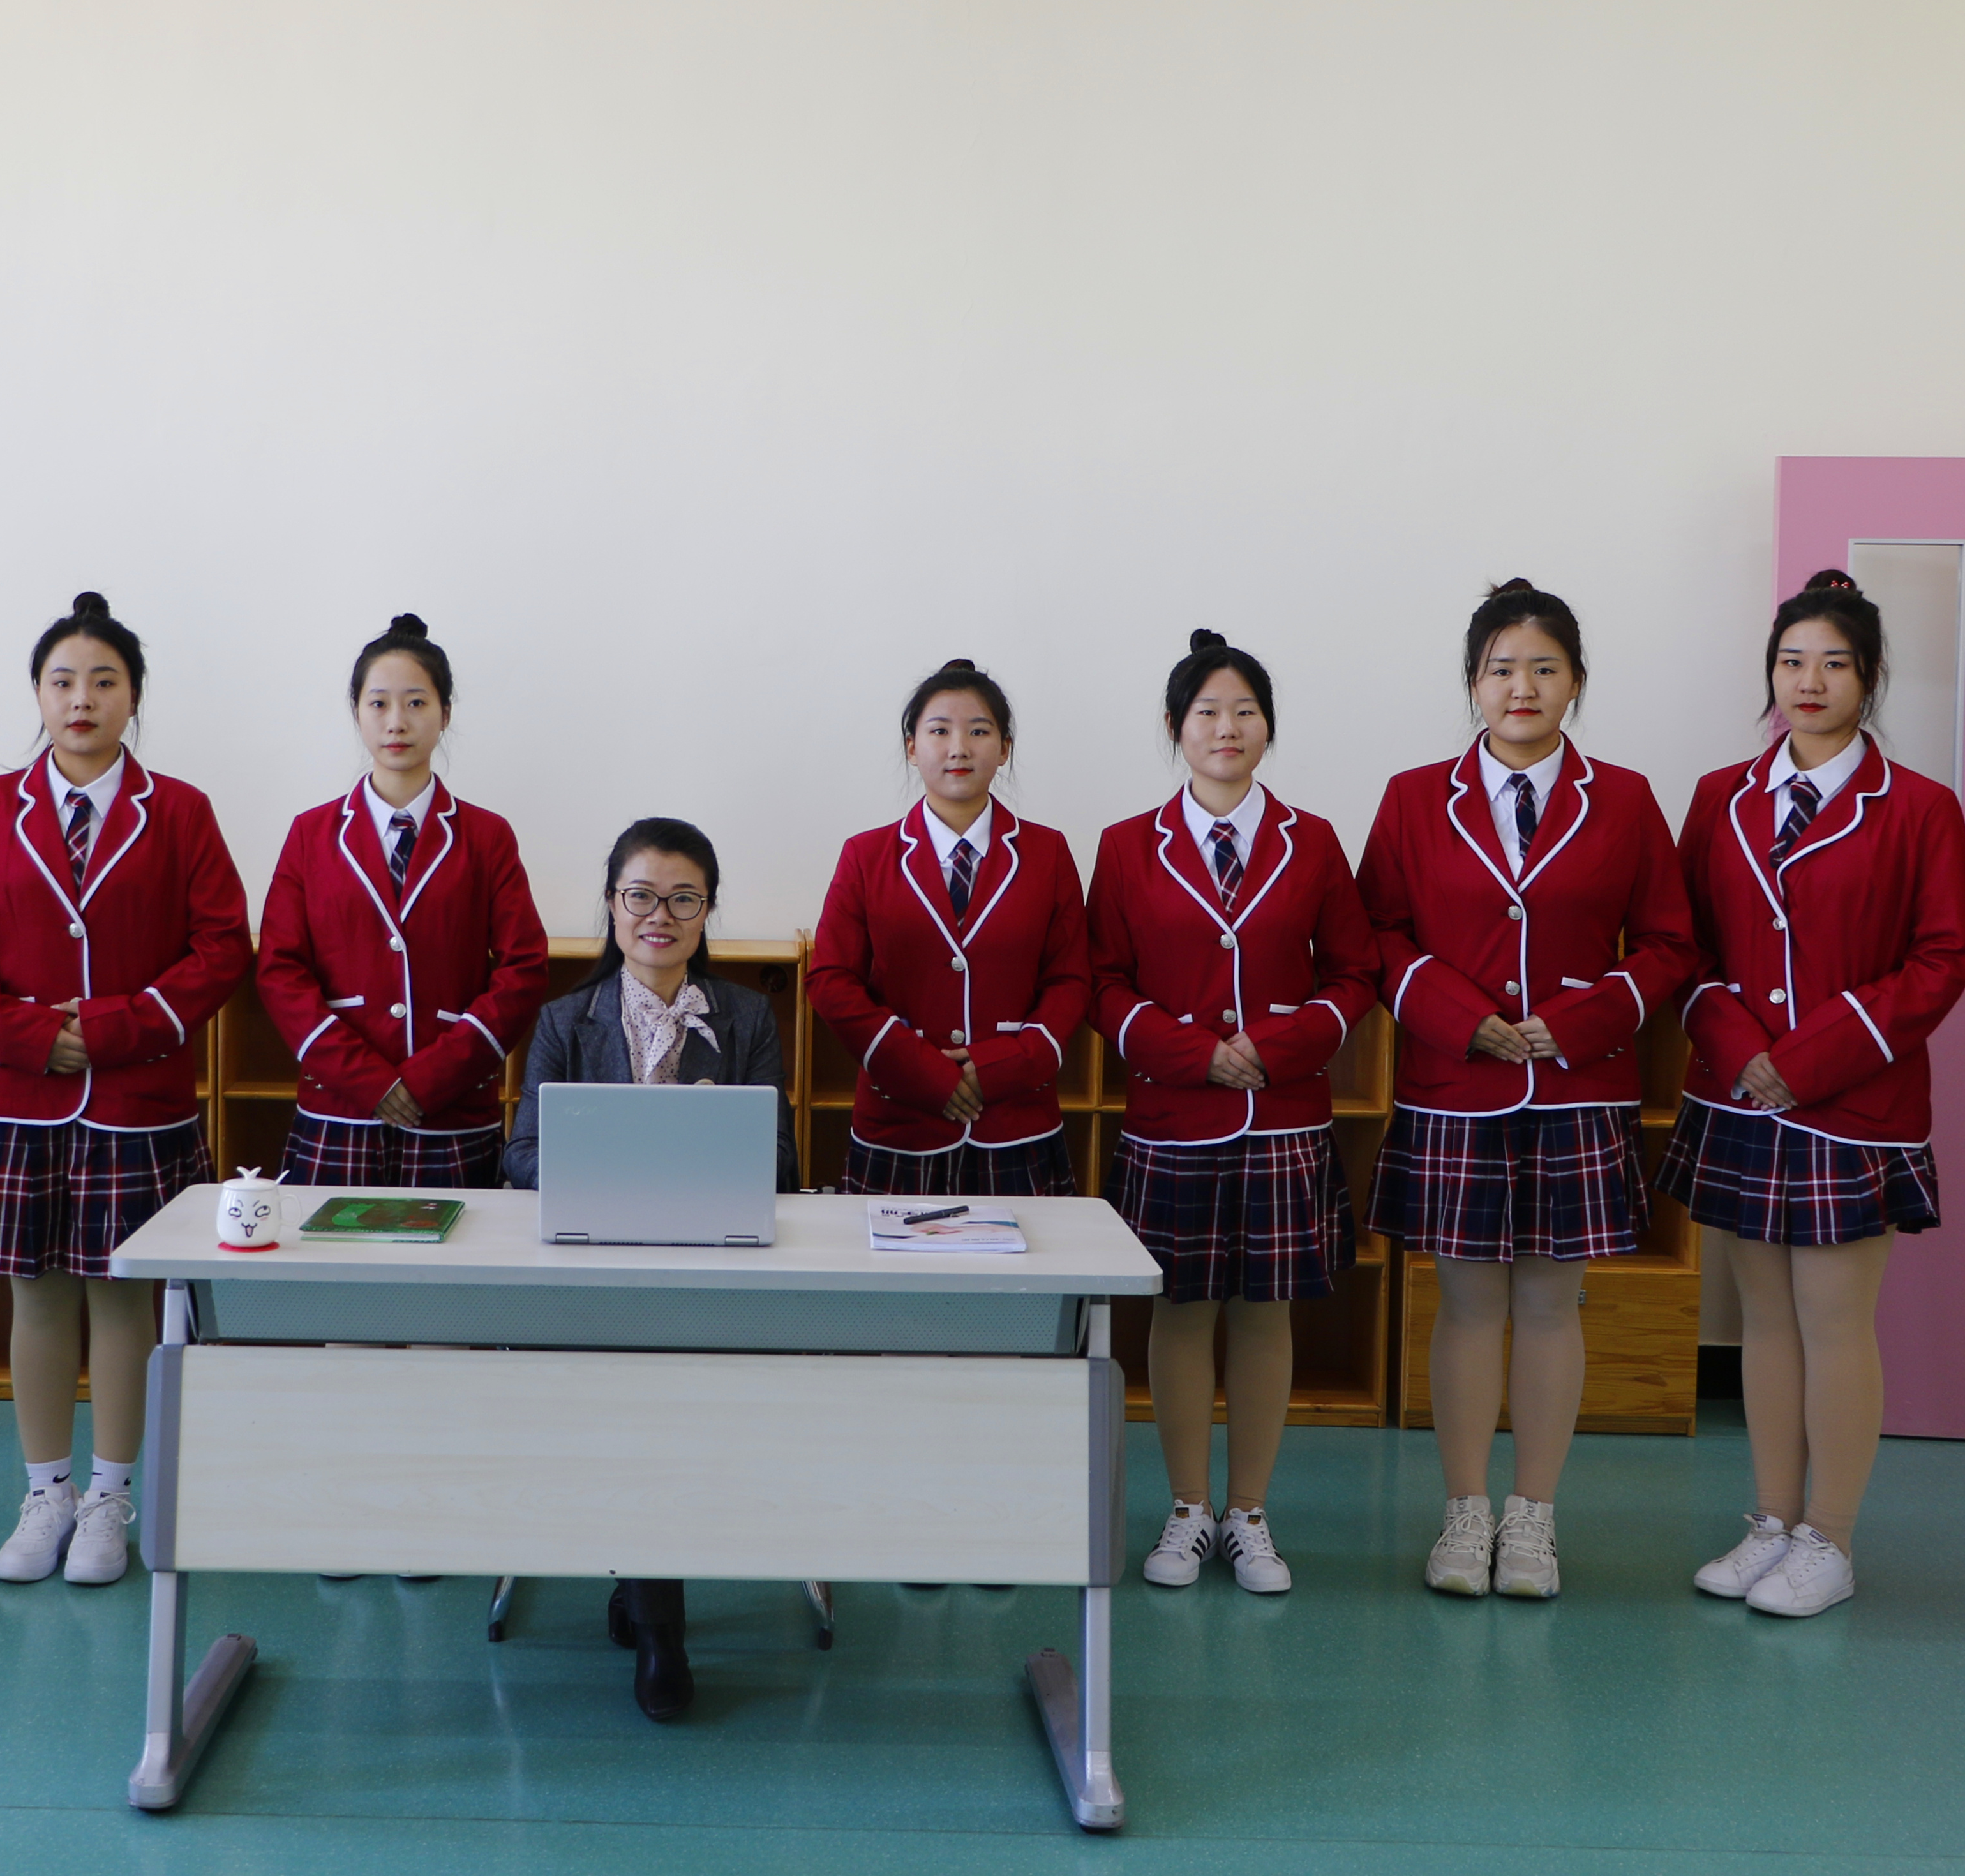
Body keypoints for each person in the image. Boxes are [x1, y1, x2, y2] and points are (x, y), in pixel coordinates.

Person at [1357, 579, 1693, 1600]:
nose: (1522, 686)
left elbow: (1670, 941)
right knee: (1464, 1305)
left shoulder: (1625, 797)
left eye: (1544, 667)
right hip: (1456, 1082)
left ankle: (1534, 1518)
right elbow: (1378, 936)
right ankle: (1465, 1512)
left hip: (1576, 1087)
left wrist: (1583, 1020)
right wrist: (1459, 1015)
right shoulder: (1414, 796)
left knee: (1551, 1304)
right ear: (1472, 683)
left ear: (1576, 681)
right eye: (1502, 668)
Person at [0, 592, 251, 1586]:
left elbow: (220, 946)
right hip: (17, 1093)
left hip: (135, 1098)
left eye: (104, 680)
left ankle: (111, 1496)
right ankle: (45, 1492)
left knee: (121, 1300)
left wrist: (105, 1028)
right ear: (37, 693)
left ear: (133, 696)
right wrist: (24, 1030)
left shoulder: (179, 809)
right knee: (37, 1297)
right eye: (62, 680)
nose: (82, 698)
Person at [1662, 570, 1965, 1619]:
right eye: (1791, 661)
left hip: (1852, 1103)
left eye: (1834, 663)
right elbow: (1683, 944)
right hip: (1739, 1096)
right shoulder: (1719, 795)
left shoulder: (1920, 807)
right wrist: (1739, 1045)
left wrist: (1810, 1056)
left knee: (1834, 1320)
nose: (1809, 680)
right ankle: (1770, 1522)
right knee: (1763, 1320)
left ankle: (1828, 1537)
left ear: (1869, 677)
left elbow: (1940, 960)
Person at [1084, 631, 1377, 1596]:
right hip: (1172, 1114)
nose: (1226, 727)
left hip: (1281, 1116)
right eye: (1207, 712)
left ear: (1267, 727)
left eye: (1244, 711)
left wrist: (1279, 1047)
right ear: (1176, 727)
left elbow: (1355, 974)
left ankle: (1248, 1511)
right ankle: (1187, 1508)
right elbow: (1103, 983)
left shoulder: (1313, 839)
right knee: (1177, 1313)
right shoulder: (1126, 844)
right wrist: (1192, 1054)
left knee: (1263, 1314)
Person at [505, 818, 798, 1721]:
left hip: (715, 1272)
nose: (658, 915)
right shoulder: (566, 1019)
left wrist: (695, 1156)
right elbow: (520, 1156)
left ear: (707, 911)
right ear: (611, 904)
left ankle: (646, 1600)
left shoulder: (746, 1015)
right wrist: (629, 1171)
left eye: (682, 898)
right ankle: (661, 1631)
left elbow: (782, 1161)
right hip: (592, 1273)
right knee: (639, 1396)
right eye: (640, 895)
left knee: (661, 1398)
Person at [257, 613, 543, 1192]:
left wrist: (431, 1078)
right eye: (378, 703)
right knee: (330, 1255)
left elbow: (524, 969)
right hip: (339, 1110)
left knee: (458, 1254)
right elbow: (280, 970)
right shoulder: (311, 834)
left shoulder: (487, 836)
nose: (396, 722)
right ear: (356, 712)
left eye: (416, 703)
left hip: (451, 1112)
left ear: (445, 713)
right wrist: (368, 1081)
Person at [805, 658, 1088, 1201]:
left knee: (1025, 1259)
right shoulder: (866, 855)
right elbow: (830, 981)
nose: (959, 748)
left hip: (1013, 1120)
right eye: (939, 732)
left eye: (978, 732)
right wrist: (923, 1072)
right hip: (900, 1121)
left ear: (1004, 749)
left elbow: (1070, 980)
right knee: (890, 1261)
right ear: (912, 748)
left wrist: (1002, 1067)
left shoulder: (1047, 852)